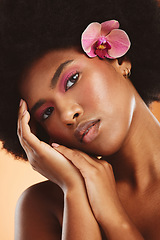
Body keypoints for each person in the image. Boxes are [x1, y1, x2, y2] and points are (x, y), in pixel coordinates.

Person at [0, 0, 160, 239]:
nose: (66, 114)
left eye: (72, 80)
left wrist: (111, 214)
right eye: (46, 112)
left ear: (120, 60)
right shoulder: (43, 206)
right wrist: (74, 191)